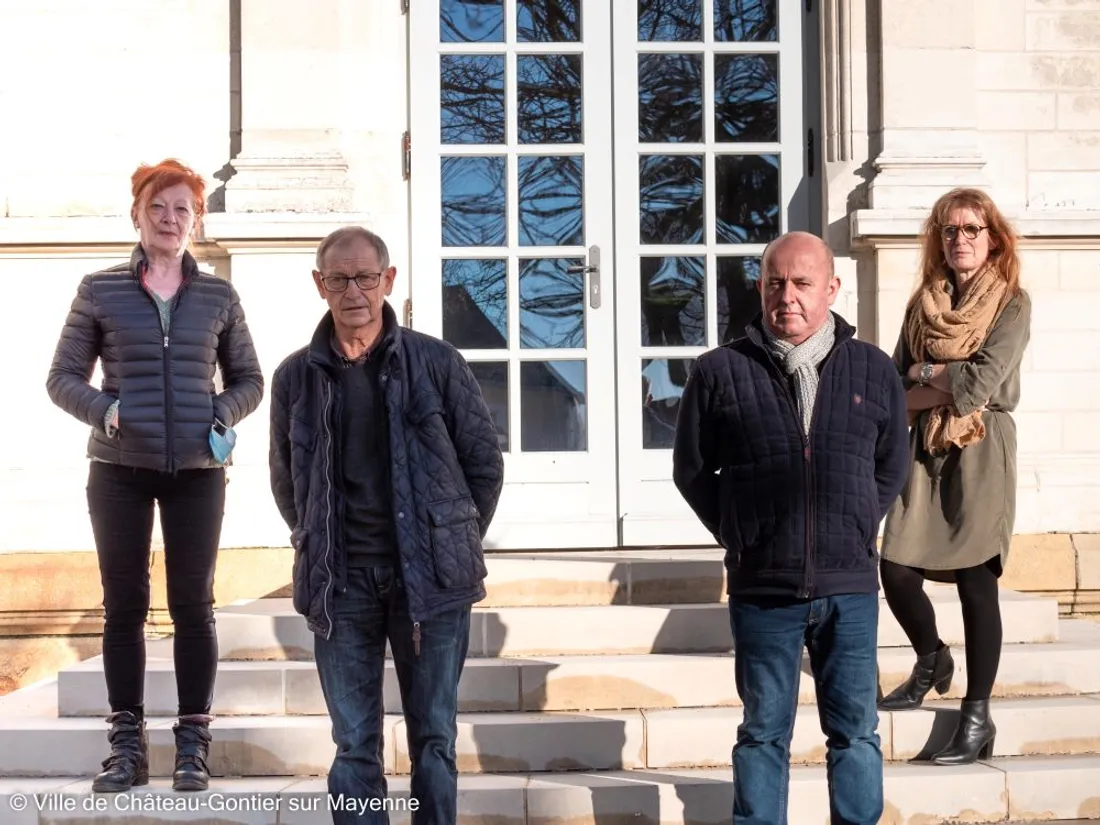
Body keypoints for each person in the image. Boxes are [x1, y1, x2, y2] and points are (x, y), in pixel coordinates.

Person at [268, 226, 504, 825]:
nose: (354, 291)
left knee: (434, 740)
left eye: (366, 278)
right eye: (340, 279)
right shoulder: (296, 376)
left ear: (388, 282)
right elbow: (285, 478)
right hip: (340, 584)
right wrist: (315, 538)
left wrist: (452, 540)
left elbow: (483, 464)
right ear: (320, 286)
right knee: (353, 747)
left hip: (430, 584)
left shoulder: (437, 362)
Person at [673, 231, 910, 825]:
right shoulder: (719, 371)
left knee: (855, 731)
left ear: (831, 288)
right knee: (761, 733)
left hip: (848, 586)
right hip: (763, 586)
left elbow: (893, 464)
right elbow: (693, 470)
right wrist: (741, 531)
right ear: (759, 287)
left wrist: (857, 524)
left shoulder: (874, 370)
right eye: (776, 282)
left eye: (803, 283)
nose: (789, 296)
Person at [46, 159, 265, 792]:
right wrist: (107, 410)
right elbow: (61, 378)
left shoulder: (219, 296)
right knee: (124, 607)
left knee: (194, 606)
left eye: (182, 210)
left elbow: (251, 379)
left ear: (195, 221)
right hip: (118, 470)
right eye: (158, 207)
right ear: (137, 214)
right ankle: (126, 745)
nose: (171, 220)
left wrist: (220, 413)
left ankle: (194, 742)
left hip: (198, 471)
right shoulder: (99, 289)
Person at [877, 188, 1030, 766]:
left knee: (974, 580)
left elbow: (982, 383)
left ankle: (977, 716)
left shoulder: (1013, 303)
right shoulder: (923, 304)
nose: (960, 239)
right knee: (894, 566)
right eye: (949, 230)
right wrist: (937, 373)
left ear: (993, 238)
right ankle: (931, 657)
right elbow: (894, 381)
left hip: (982, 447)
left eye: (972, 229)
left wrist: (934, 377)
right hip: (924, 447)